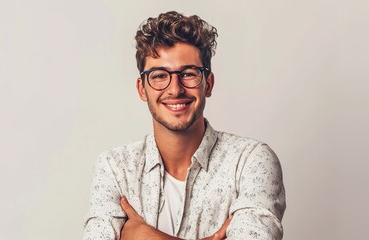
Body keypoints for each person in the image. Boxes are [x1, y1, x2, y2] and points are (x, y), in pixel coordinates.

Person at [83, 11, 286, 240]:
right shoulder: (115, 168)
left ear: (208, 84)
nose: (175, 89)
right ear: (142, 89)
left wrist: (143, 235)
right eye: (159, 75)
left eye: (188, 74)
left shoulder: (250, 161)